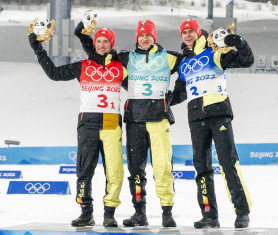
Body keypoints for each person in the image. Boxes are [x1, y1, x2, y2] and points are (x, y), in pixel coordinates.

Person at [75, 19, 182, 227]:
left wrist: (173, 98)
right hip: (134, 121)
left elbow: (189, 68)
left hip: (159, 120)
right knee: (136, 171)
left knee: (162, 167)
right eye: (141, 35)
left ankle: (167, 212)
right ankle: (139, 211)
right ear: (137, 38)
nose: (144, 38)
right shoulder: (126, 58)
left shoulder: (169, 57)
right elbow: (98, 55)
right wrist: (83, 35)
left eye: (148, 35)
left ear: (154, 37)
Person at [28, 26, 127, 227]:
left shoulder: (120, 66)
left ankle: (109, 213)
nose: (101, 45)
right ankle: (86, 211)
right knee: (84, 169)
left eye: (106, 41)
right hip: (87, 123)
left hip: (111, 122)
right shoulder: (83, 65)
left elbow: (140, 84)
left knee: (114, 170)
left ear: (111, 45)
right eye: (98, 41)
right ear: (94, 44)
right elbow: (54, 74)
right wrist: (38, 48)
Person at [171, 19, 254, 229]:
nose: (188, 35)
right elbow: (180, 93)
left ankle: (242, 212)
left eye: (191, 31)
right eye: (184, 32)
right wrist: (160, 101)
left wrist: (241, 43)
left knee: (228, 163)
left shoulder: (214, 51)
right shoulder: (183, 63)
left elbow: (247, 61)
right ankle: (209, 214)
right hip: (196, 118)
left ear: (199, 33)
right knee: (202, 168)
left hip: (218, 113)